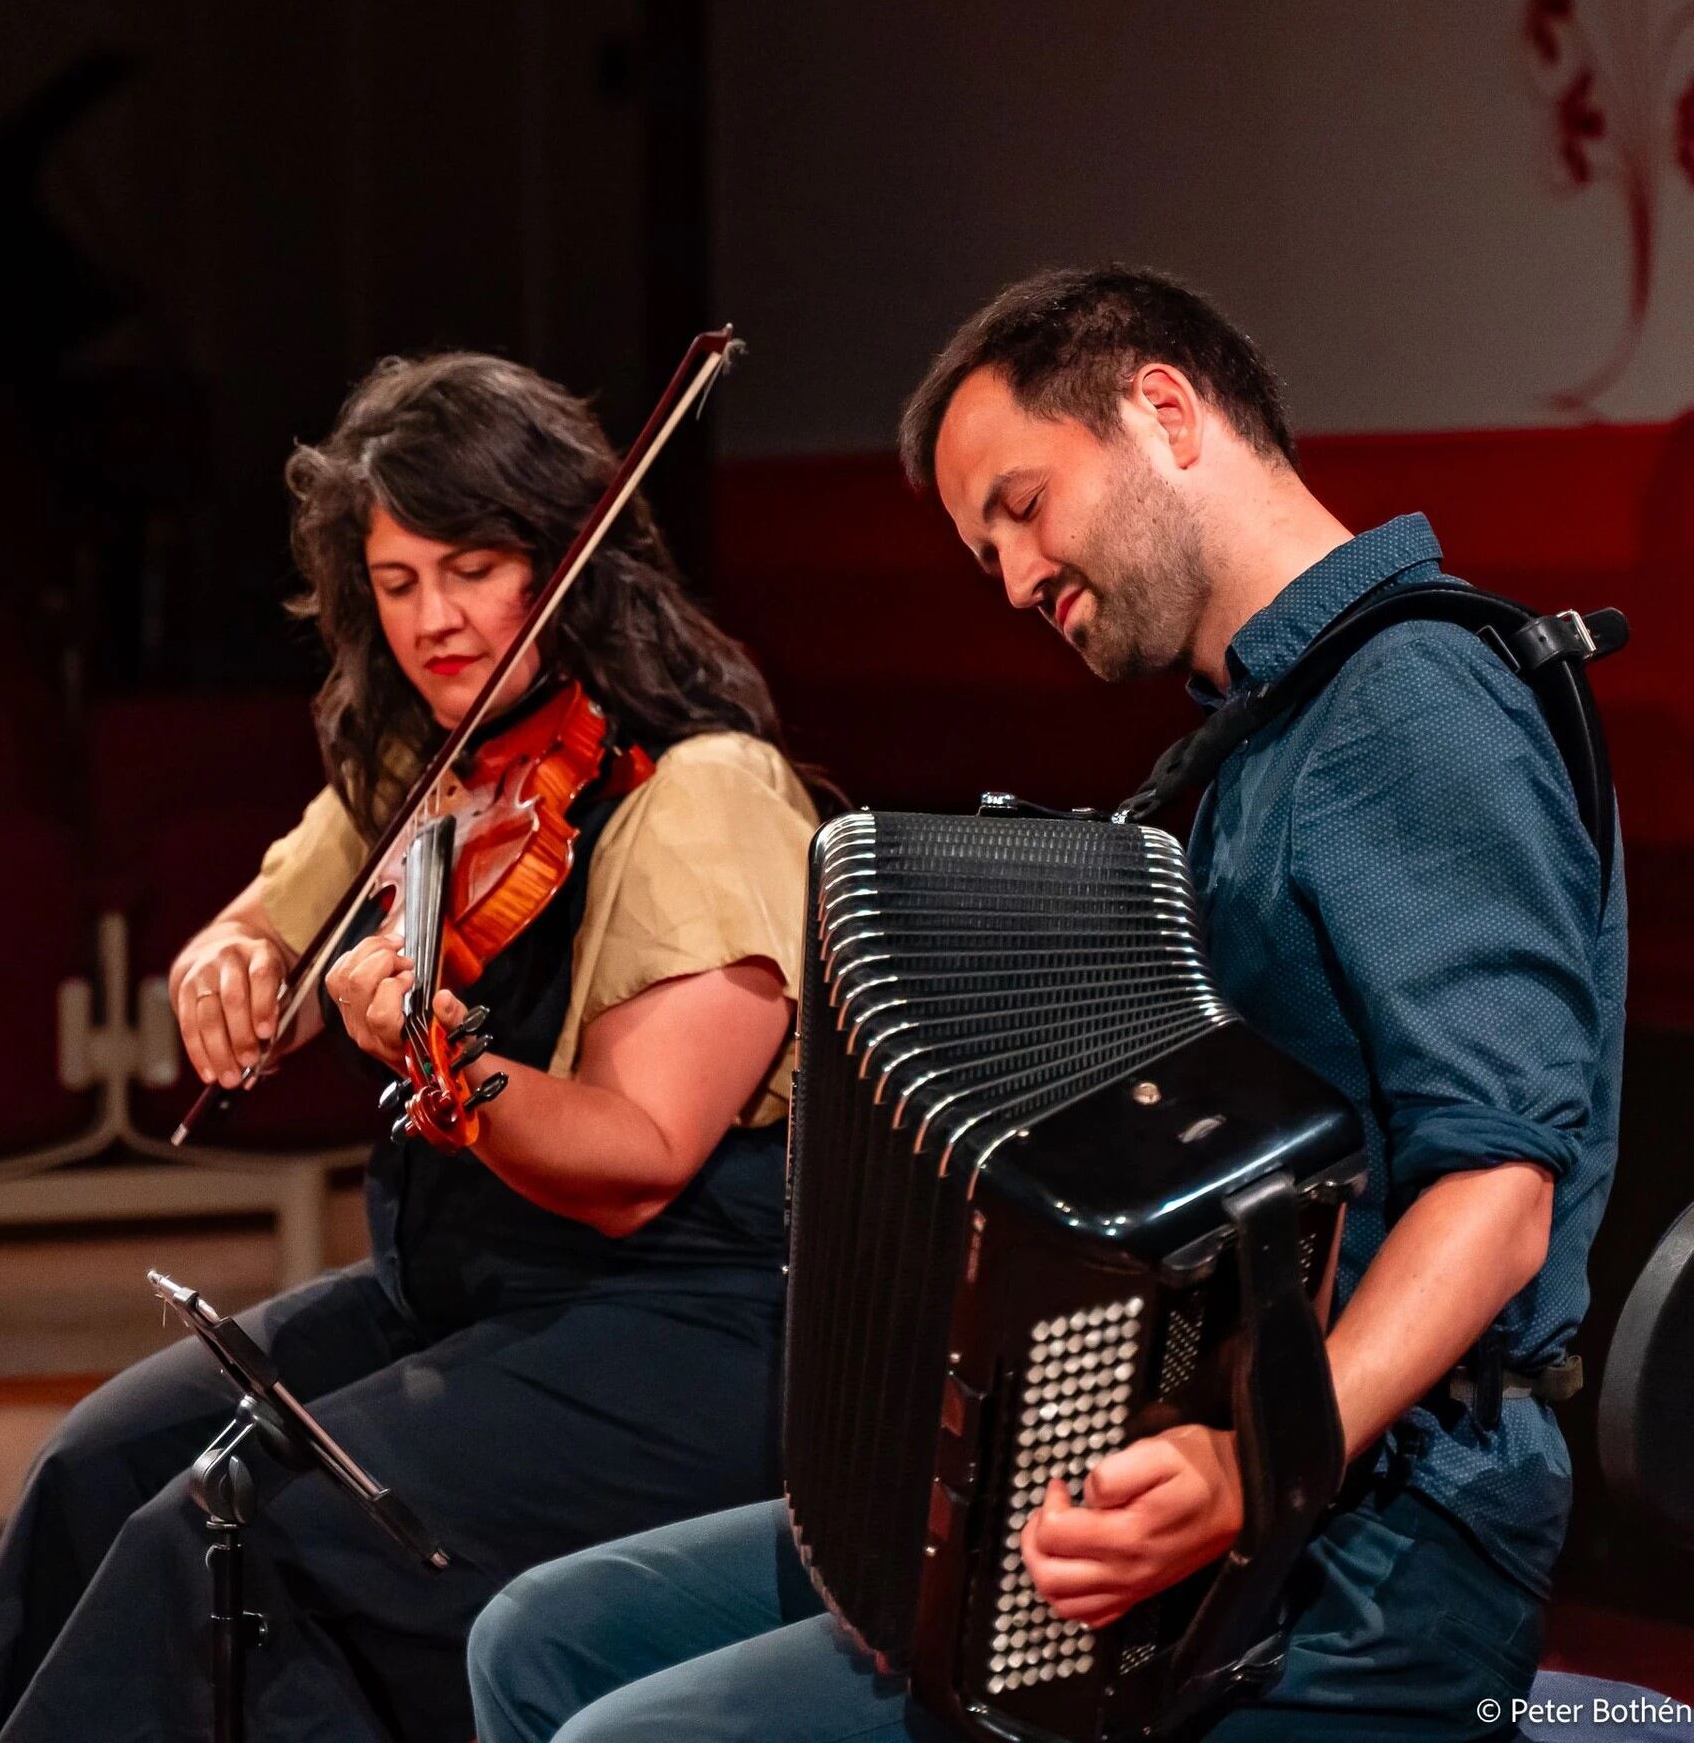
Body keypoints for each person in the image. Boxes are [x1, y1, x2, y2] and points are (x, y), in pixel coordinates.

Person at [467, 267, 1625, 1742]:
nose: (1015, 581)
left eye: (1022, 505)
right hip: (1212, 1464)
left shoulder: (1406, 704)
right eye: (981, 552)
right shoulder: (1255, 743)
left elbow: (1500, 1188)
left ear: (1163, 410)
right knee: (543, 1640)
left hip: (1371, 1541)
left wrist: (1251, 1462)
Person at [0, 351, 820, 1743]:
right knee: (92, 1471)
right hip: (466, 1292)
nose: (435, 622)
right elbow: (262, 929)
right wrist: (226, 970)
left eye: (470, 570)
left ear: (566, 561)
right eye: (398, 586)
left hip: (675, 1330)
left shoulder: (703, 793)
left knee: (244, 1541)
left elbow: (636, 1160)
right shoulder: (433, 766)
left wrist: (443, 1070)